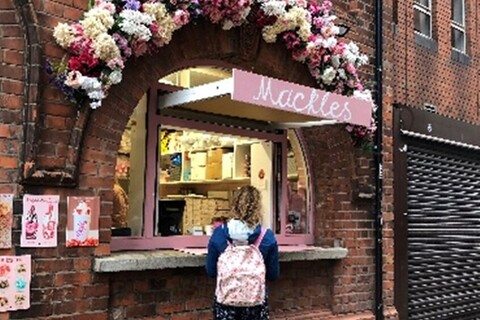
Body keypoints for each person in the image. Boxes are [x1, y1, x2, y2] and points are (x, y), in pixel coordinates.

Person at [206, 185, 279, 320]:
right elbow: (273, 275)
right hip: (255, 304)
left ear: (234, 205)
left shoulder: (219, 233)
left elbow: (211, 271)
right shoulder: (267, 236)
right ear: (258, 207)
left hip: (226, 303)